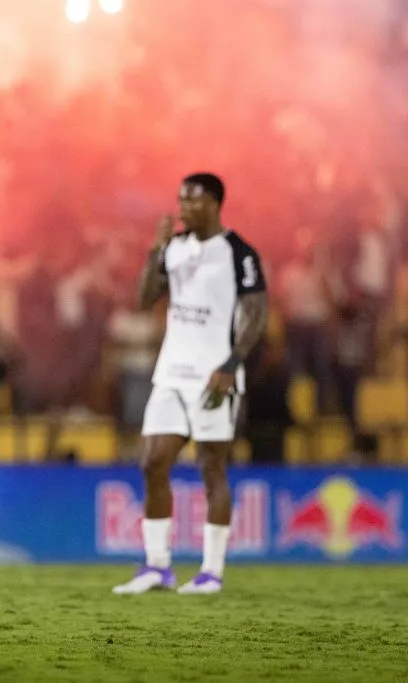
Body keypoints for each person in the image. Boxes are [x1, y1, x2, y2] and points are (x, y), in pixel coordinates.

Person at [113, 173, 269, 596]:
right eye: (180, 199)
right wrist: (156, 249)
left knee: (212, 467)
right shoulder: (176, 247)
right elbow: (145, 299)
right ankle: (157, 566)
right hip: (171, 373)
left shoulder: (238, 252)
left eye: (192, 200)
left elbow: (257, 313)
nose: (182, 207)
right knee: (152, 462)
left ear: (215, 204)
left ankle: (212, 572)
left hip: (213, 376)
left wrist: (232, 363)